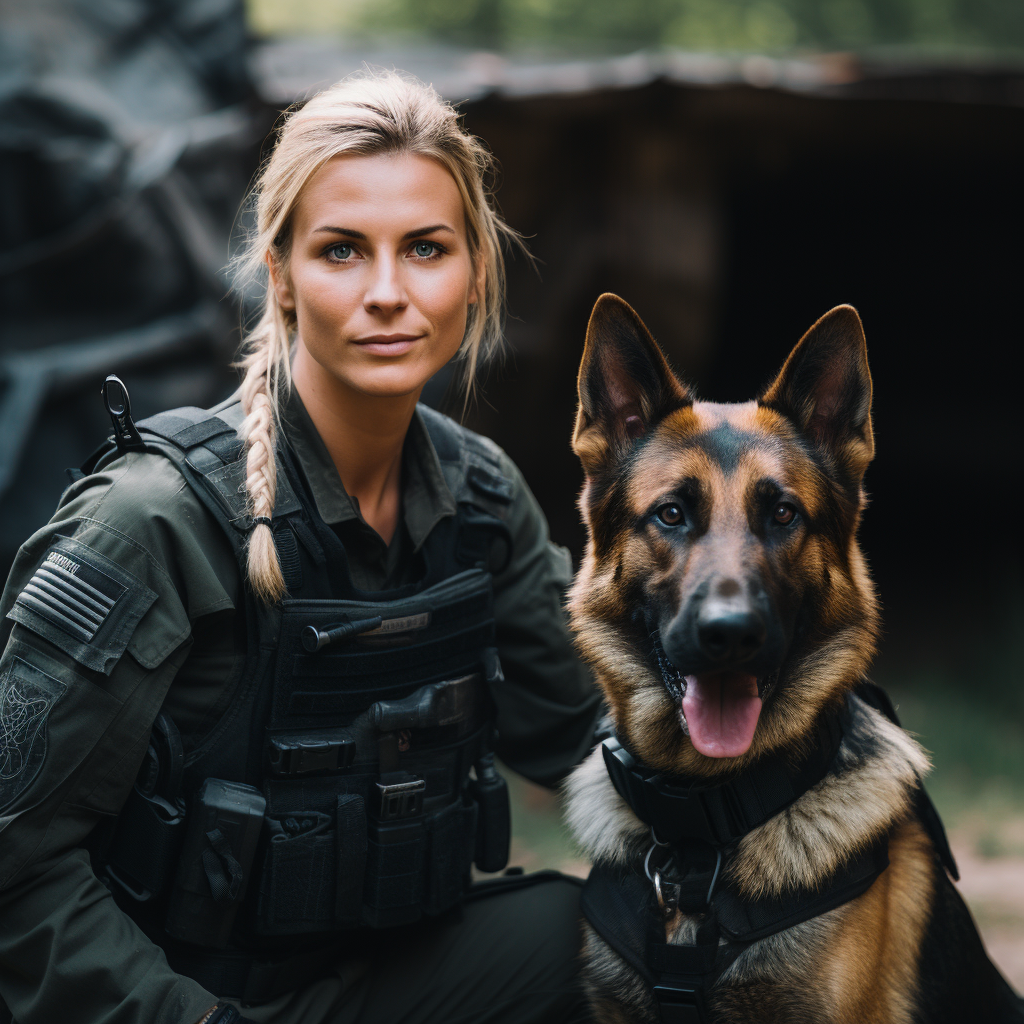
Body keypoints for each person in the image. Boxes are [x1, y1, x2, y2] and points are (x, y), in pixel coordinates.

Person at [0, 72, 601, 1024]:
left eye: (427, 249)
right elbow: (13, 865)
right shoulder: (153, 521)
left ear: (476, 272)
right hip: (170, 1005)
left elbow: (591, 747)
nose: (389, 293)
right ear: (279, 273)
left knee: (610, 944)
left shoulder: (479, 502)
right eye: (341, 251)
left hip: (374, 984)